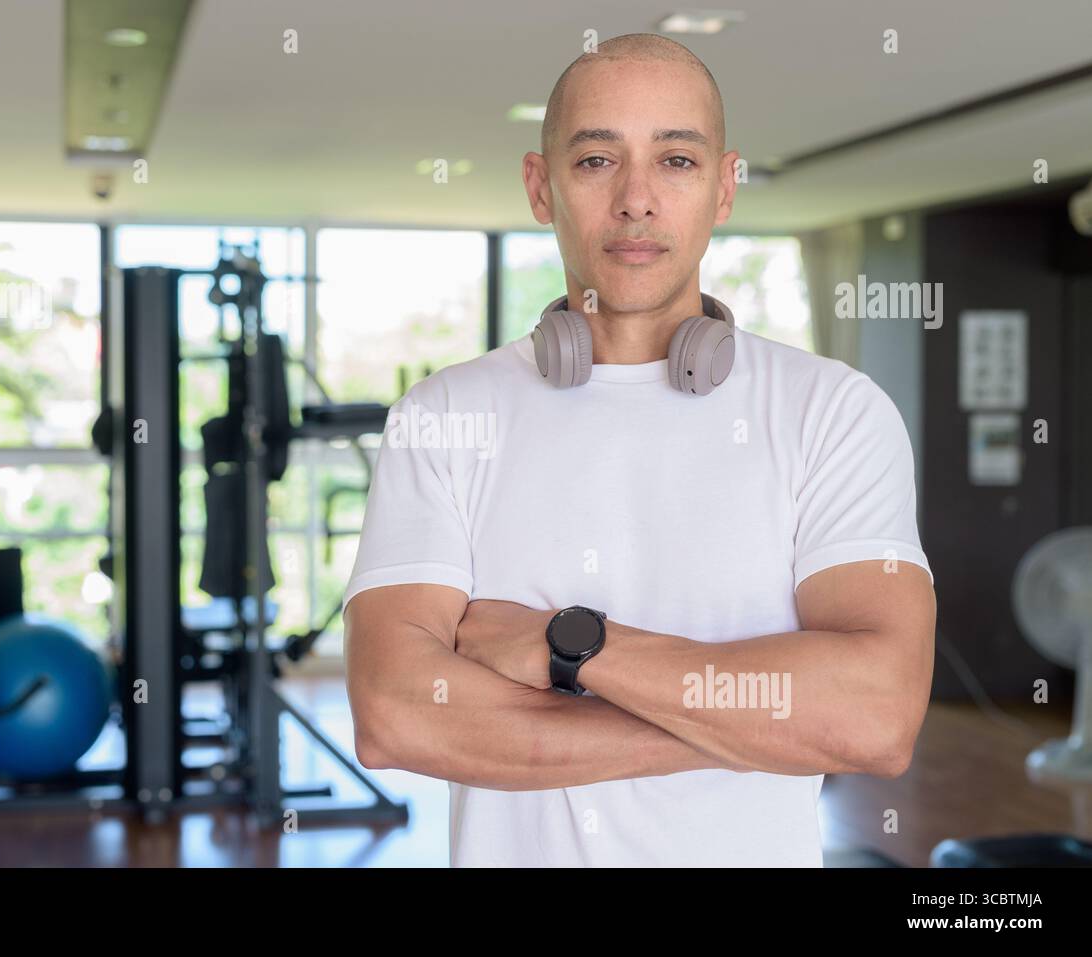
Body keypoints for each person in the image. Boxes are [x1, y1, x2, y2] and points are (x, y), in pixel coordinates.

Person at [342, 33, 936, 867]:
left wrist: (570, 646)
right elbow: (394, 713)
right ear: (539, 186)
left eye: (677, 161)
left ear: (724, 188)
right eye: (594, 160)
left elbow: (874, 717)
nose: (636, 199)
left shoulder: (833, 412)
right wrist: (759, 725)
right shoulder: (443, 415)